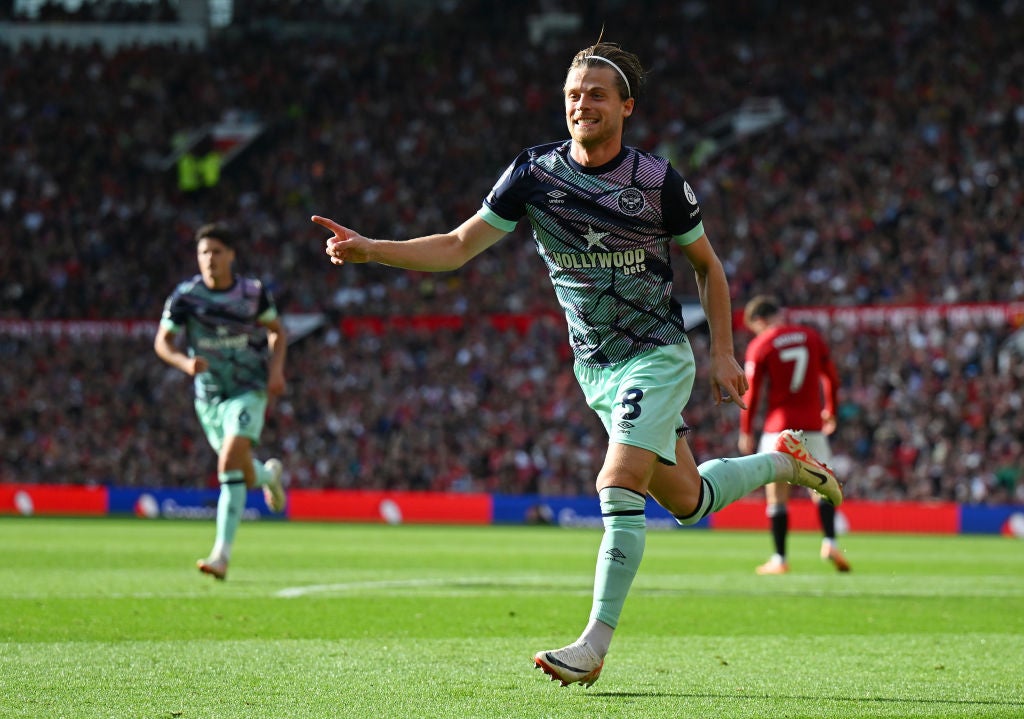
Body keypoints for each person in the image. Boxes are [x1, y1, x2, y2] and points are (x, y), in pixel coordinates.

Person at [313, 40, 842, 688]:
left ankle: (594, 643)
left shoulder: (657, 181)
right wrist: (374, 249)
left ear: (626, 105)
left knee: (616, 479)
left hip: (657, 354)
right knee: (688, 500)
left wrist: (724, 352)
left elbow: (708, 265)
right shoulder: (533, 175)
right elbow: (455, 246)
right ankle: (787, 461)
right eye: (572, 94)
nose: (580, 104)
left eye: (595, 93)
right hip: (596, 367)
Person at [154, 223, 288, 581]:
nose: (209, 259)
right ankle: (269, 476)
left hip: (249, 388)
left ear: (231, 255)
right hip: (209, 397)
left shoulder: (252, 293)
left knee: (229, 460)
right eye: (203, 253)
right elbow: (162, 342)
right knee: (241, 471)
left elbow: (277, 331)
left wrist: (276, 372)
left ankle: (221, 556)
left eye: (216, 252)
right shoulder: (186, 297)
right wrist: (184, 363)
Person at [738, 295, 851, 574]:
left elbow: (752, 394)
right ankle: (830, 541)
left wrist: (745, 430)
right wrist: (831, 410)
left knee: (777, 494)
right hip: (813, 424)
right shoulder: (811, 337)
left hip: (779, 427)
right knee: (822, 486)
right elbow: (832, 378)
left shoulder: (761, 344)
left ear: (759, 321)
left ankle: (780, 559)